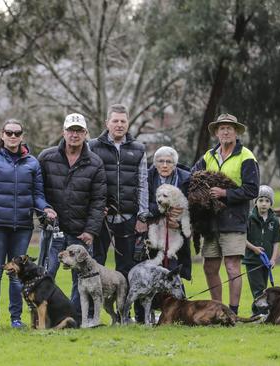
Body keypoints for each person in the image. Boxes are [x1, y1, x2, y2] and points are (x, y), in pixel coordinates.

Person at [0, 119, 56, 330]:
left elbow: (37, 195)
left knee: (17, 274)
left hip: (22, 226)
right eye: (9, 133)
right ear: (2, 134)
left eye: (17, 133)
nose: (12, 136)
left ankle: (16, 318)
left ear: (22, 136)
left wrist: (45, 208)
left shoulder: (32, 163)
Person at [38, 113, 107, 316]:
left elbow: (98, 200)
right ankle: (45, 317)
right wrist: (44, 208)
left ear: (86, 133)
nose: (74, 135)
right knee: (47, 274)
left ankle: (75, 316)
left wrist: (91, 231)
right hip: (53, 230)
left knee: (82, 278)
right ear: (63, 132)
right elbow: (37, 190)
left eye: (79, 131)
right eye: (70, 130)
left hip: (81, 233)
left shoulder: (95, 163)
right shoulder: (46, 157)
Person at [191, 113, 259, 315]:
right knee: (209, 267)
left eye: (230, 128)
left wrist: (225, 193)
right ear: (216, 133)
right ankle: (217, 310)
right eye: (222, 128)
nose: (226, 131)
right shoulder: (208, 156)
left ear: (236, 131)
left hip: (234, 221)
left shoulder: (246, 156)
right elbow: (193, 178)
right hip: (210, 222)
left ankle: (233, 312)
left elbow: (252, 190)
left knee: (231, 267)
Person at [88, 104, 148, 279]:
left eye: (123, 121)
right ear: (107, 123)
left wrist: (143, 216)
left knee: (127, 267)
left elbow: (142, 184)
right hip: (101, 217)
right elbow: (86, 180)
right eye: (115, 121)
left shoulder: (139, 149)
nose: (119, 124)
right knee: (96, 264)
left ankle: (124, 306)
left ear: (128, 123)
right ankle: (93, 307)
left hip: (129, 218)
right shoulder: (92, 147)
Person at [146, 146, 192, 281]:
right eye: (160, 161)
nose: (164, 165)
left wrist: (179, 223)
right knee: (151, 273)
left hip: (176, 232)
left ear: (175, 164)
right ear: (155, 163)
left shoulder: (187, 179)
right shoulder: (146, 177)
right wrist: (165, 212)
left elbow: (193, 207)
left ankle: (176, 301)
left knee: (173, 273)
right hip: (152, 227)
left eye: (169, 162)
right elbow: (141, 203)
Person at [243, 185, 280, 315]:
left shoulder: (274, 220)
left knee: (263, 289)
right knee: (258, 289)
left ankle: (256, 312)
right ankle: (263, 313)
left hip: (266, 262)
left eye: (267, 201)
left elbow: (276, 242)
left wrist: (273, 259)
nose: (264, 204)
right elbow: (242, 238)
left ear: (271, 203)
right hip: (252, 261)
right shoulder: (249, 218)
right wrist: (254, 249)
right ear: (255, 202)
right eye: (260, 200)